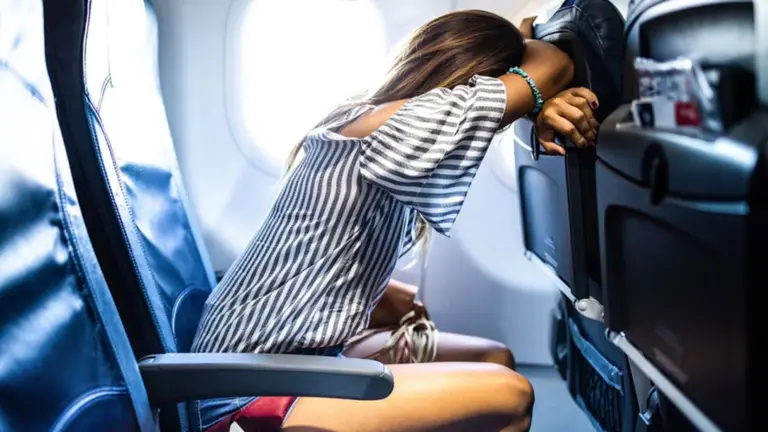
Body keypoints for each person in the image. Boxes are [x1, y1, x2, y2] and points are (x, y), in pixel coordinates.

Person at [192, 9, 599, 432]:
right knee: (510, 396)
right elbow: (554, 65)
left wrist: (536, 102)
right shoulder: (403, 122)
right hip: (243, 386)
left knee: (493, 358)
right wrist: (531, 78)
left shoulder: (369, 116)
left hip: (294, 358)